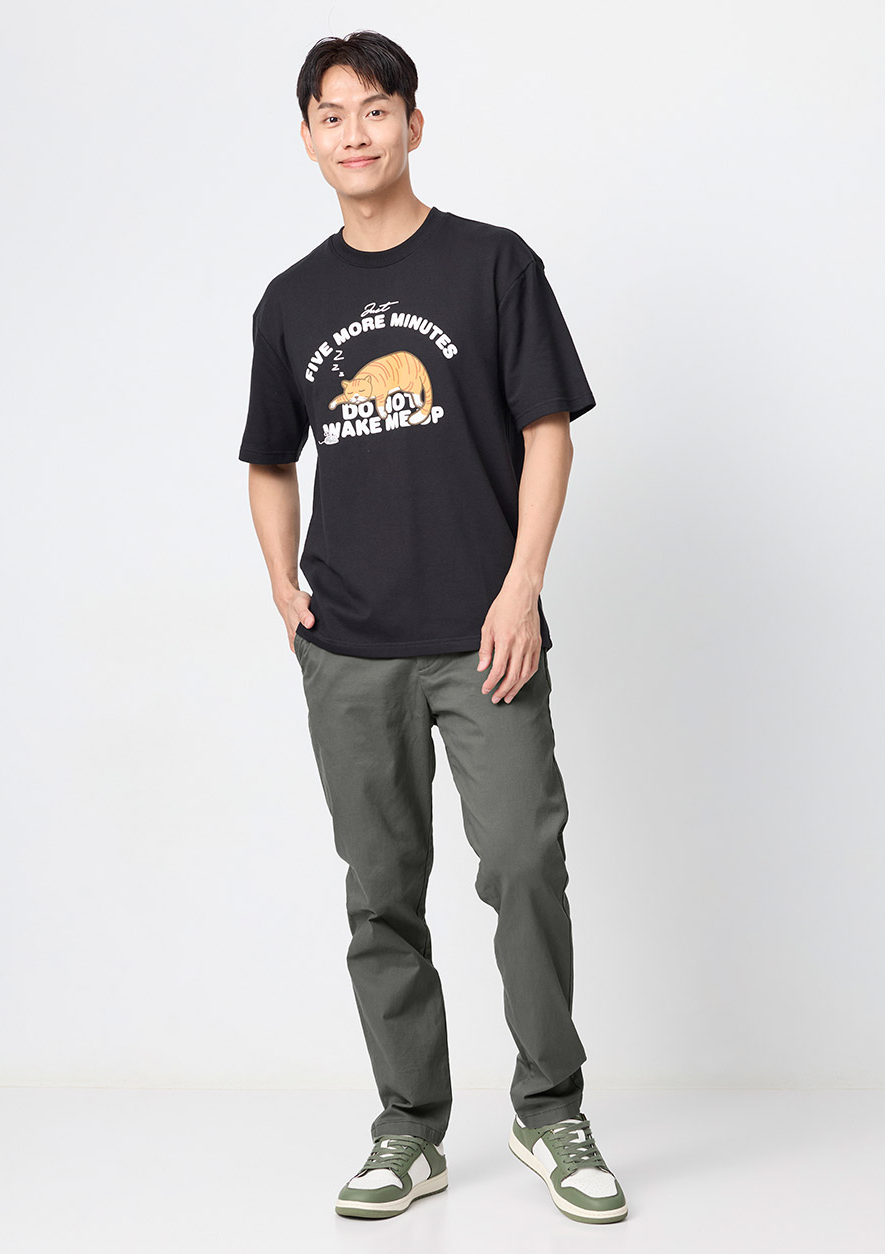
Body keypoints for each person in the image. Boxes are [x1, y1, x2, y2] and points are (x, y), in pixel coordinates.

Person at [238, 29, 628, 1226]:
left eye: (375, 109)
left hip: (483, 634)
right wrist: (283, 586)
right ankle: (409, 1127)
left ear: (413, 122)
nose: (354, 133)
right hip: (349, 646)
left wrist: (520, 588)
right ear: (308, 139)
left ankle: (549, 1108)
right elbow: (269, 458)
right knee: (380, 889)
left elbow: (548, 430)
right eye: (331, 115)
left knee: (522, 861)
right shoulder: (291, 302)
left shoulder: (491, 265)